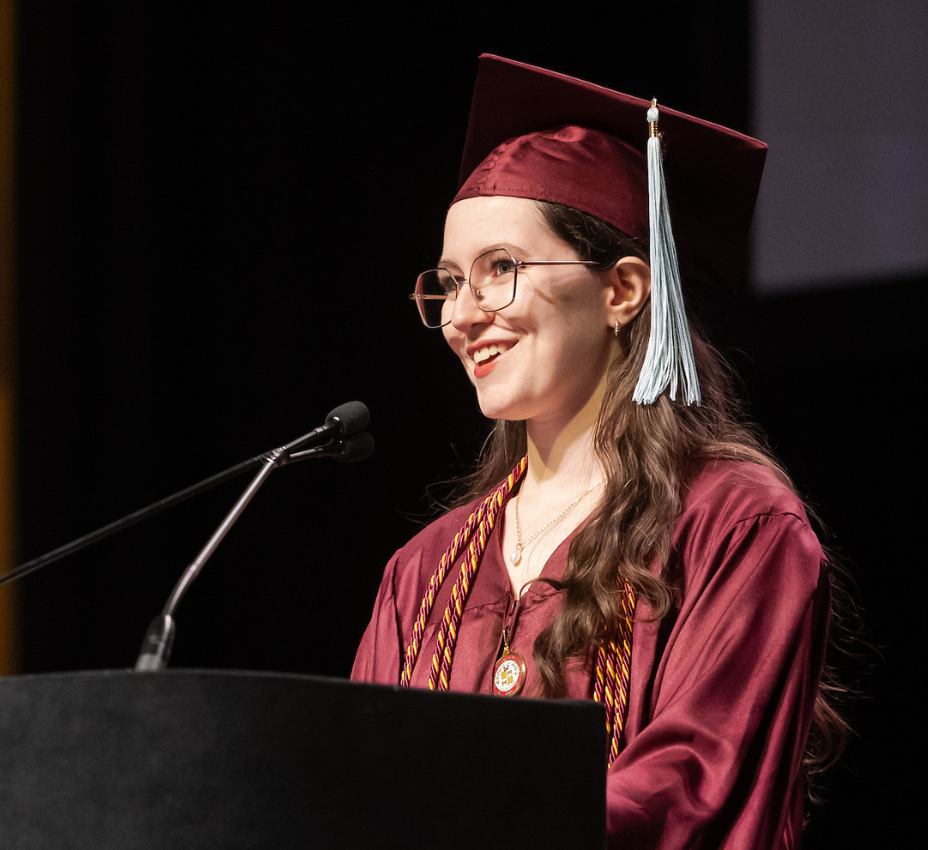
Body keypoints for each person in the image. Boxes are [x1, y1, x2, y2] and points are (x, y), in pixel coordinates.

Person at [350, 56, 844, 849]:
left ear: (622, 290)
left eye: (500, 270)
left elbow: (694, 789)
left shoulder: (736, 529)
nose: (461, 317)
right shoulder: (425, 571)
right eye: (447, 283)